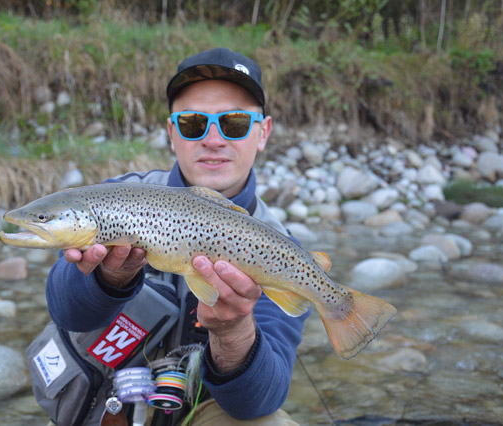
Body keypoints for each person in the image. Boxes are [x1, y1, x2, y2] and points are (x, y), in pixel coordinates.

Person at [45, 47, 307, 426]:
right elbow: (65, 311)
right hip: (106, 405)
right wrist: (108, 278)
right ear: (172, 133)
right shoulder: (116, 199)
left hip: (204, 408)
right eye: (192, 123)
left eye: (233, 123)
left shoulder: (281, 251)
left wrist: (234, 331)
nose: (213, 139)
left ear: (262, 132)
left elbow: (259, 403)